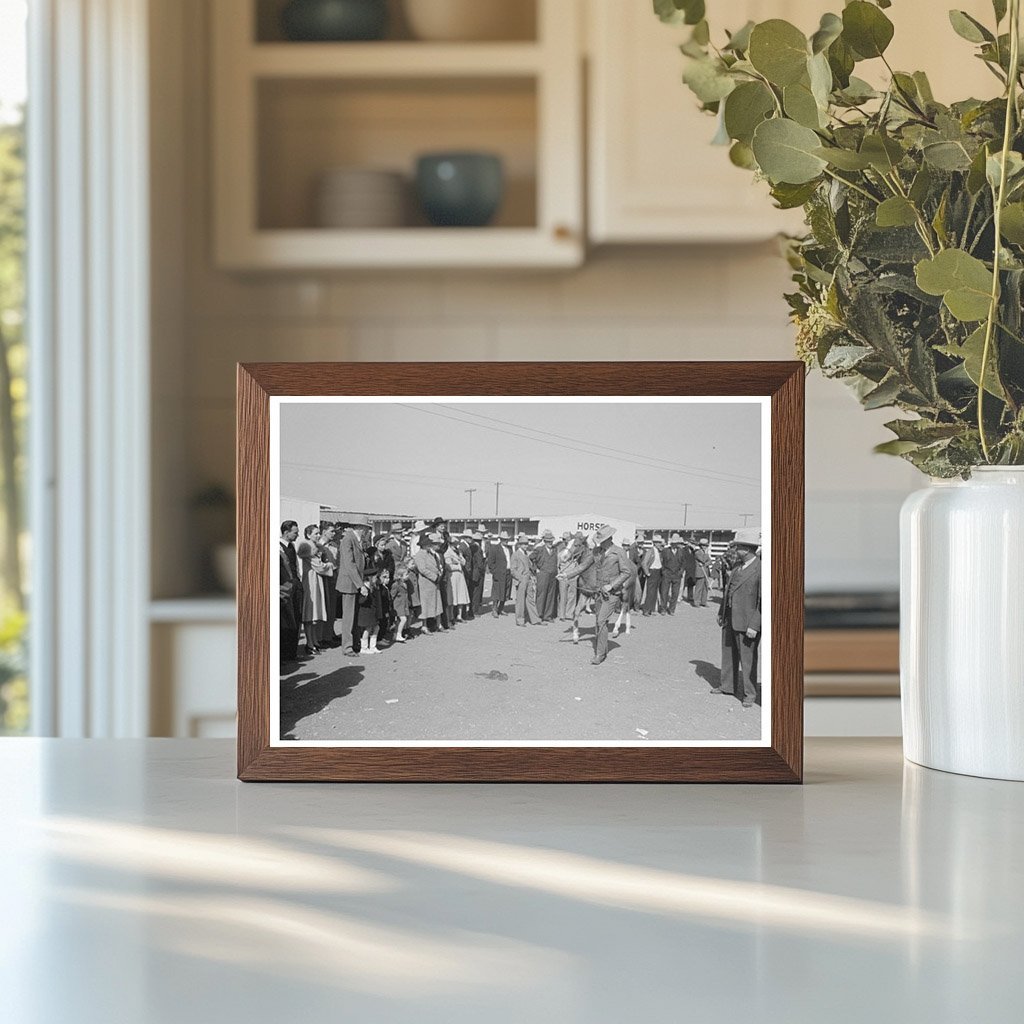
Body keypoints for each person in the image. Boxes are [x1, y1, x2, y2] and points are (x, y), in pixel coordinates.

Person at [714, 528, 762, 707]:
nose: (735, 550)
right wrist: (721, 612)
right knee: (728, 654)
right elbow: (728, 592)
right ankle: (727, 686)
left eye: (739, 547)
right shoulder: (736, 567)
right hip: (729, 618)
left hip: (748, 623)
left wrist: (755, 625)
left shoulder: (761, 569)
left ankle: (750, 694)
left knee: (748, 660)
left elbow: (764, 601)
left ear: (748, 549)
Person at [587, 525, 632, 666]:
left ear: (610, 539)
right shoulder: (596, 552)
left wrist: (611, 585)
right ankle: (603, 649)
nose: (600, 543)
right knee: (599, 622)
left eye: (603, 540)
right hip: (599, 593)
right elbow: (583, 566)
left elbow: (626, 572)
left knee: (601, 621)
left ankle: (600, 654)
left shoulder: (619, 552)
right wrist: (566, 575)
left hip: (612, 594)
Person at [335, 513, 369, 656]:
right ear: (360, 527)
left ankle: (354, 643)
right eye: (366, 528)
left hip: (355, 582)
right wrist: (360, 584)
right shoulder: (348, 539)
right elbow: (349, 564)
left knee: (354, 616)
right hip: (349, 583)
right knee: (348, 617)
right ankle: (347, 647)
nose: (367, 531)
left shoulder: (357, 539)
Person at [296, 524, 331, 656]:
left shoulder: (316, 548)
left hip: (316, 581)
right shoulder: (308, 548)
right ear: (308, 535)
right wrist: (329, 565)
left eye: (318, 533)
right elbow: (318, 566)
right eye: (315, 533)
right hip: (310, 581)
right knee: (310, 612)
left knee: (315, 612)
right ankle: (309, 643)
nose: (318, 536)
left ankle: (314, 641)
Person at [558, 532, 598, 645]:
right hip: (580, 578)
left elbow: (583, 566)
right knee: (577, 606)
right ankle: (575, 631)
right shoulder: (580, 555)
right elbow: (581, 567)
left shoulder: (594, 552)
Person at [358, 535, 388, 654]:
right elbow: (361, 601)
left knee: (376, 628)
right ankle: (364, 647)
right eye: (375, 577)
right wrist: (365, 595)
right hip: (366, 613)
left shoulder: (375, 587)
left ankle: (373, 646)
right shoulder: (365, 587)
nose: (377, 579)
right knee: (367, 629)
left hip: (373, 613)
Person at [279, 521, 302, 664]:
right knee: (284, 622)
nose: (297, 535)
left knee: (295, 620)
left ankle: (291, 653)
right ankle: (282, 654)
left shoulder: (292, 547)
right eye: (295, 532)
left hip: (294, 588)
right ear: (286, 533)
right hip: (284, 590)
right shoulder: (277, 548)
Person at [413, 532, 445, 632]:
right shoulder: (419, 555)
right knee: (425, 605)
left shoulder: (430, 553)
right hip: (426, 583)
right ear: (423, 545)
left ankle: (438, 624)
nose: (429, 546)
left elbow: (435, 565)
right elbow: (422, 569)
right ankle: (424, 626)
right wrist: (435, 577)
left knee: (437, 604)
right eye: (428, 544)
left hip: (434, 583)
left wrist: (438, 574)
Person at [317, 522, 341, 646]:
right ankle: (323, 636)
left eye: (334, 531)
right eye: (331, 531)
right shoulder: (319, 545)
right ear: (324, 531)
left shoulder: (334, 545)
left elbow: (338, 561)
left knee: (332, 607)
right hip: (323, 577)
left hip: (334, 577)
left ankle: (330, 633)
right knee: (324, 607)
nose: (334, 533)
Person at [511, 534, 540, 626]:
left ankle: (535, 619)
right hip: (521, 579)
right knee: (520, 601)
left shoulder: (526, 554)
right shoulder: (515, 554)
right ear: (519, 545)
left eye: (526, 544)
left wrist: (532, 576)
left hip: (529, 579)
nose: (525, 546)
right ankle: (520, 620)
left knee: (530, 599)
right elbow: (513, 569)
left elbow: (529, 567)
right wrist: (520, 578)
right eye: (523, 544)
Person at [531, 529, 559, 622]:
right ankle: (539, 614)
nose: (550, 542)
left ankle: (548, 615)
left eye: (551, 541)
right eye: (548, 541)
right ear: (545, 541)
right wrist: (535, 569)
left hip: (553, 575)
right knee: (541, 595)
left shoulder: (555, 550)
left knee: (551, 596)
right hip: (543, 574)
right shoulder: (539, 549)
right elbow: (530, 558)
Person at [444, 538, 470, 623]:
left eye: (456, 544)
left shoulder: (458, 552)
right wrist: (457, 567)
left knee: (460, 595)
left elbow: (463, 562)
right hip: (453, 576)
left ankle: (459, 615)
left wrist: (460, 556)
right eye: (453, 544)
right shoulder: (448, 553)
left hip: (460, 576)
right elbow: (448, 566)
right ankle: (451, 616)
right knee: (452, 596)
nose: (455, 546)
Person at [660, 534, 686, 615]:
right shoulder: (665, 551)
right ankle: (663, 609)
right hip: (667, 574)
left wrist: (680, 572)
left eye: (676, 543)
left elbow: (684, 563)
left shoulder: (682, 551)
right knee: (664, 592)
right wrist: (664, 571)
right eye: (673, 543)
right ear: (671, 543)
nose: (674, 544)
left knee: (675, 593)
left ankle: (672, 609)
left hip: (677, 575)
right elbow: (661, 562)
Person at [486, 531, 509, 616]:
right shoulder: (495, 548)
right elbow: (490, 562)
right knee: (497, 591)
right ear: (500, 539)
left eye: (506, 539)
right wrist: (494, 572)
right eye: (504, 539)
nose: (505, 541)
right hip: (498, 573)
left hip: (507, 572)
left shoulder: (509, 549)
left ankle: (501, 608)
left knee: (505, 591)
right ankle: (494, 609)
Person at [640, 536, 665, 616]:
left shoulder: (659, 551)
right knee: (650, 592)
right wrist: (647, 573)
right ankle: (646, 610)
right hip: (652, 571)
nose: (659, 544)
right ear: (655, 543)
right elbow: (644, 563)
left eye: (660, 542)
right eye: (658, 542)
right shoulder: (650, 551)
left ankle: (651, 609)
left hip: (658, 572)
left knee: (654, 592)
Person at [466, 531, 486, 618]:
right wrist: (483, 570)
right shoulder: (478, 549)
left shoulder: (471, 547)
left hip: (473, 573)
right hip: (477, 574)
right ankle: (474, 611)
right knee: (476, 593)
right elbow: (480, 563)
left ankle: (471, 610)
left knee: (472, 592)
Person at [556, 531, 575, 620]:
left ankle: (569, 614)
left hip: (572, 574)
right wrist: (559, 573)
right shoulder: (560, 550)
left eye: (567, 539)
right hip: (563, 574)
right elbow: (557, 564)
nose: (565, 541)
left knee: (572, 596)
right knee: (563, 596)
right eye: (563, 539)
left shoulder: (574, 549)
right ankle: (561, 614)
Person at [692, 537, 712, 607]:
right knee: (699, 588)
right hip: (700, 572)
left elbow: (710, 561)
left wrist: (706, 564)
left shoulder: (705, 553)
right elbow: (703, 559)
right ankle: (696, 602)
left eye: (706, 545)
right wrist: (706, 561)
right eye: (703, 545)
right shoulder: (698, 552)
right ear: (700, 546)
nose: (705, 547)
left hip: (706, 572)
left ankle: (703, 601)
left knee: (705, 588)